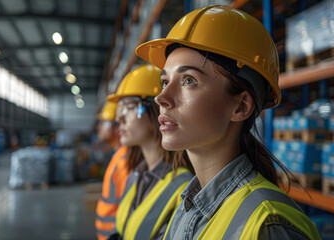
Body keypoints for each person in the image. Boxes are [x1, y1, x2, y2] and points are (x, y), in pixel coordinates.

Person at [136, 5, 321, 240]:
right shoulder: (186, 209)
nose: (162, 98)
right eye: (164, 82)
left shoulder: (269, 225)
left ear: (241, 106)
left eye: (188, 80)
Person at [107, 64, 194, 239]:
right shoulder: (136, 174)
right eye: (120, 109)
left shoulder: (182, 186)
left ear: (158, 109)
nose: (119, 118)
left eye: (129, 107)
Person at [95, 102, 129, 240]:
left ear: (117, 127)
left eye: (104, 122)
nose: (99, 127)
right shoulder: (118, 156)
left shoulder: (125, 161)